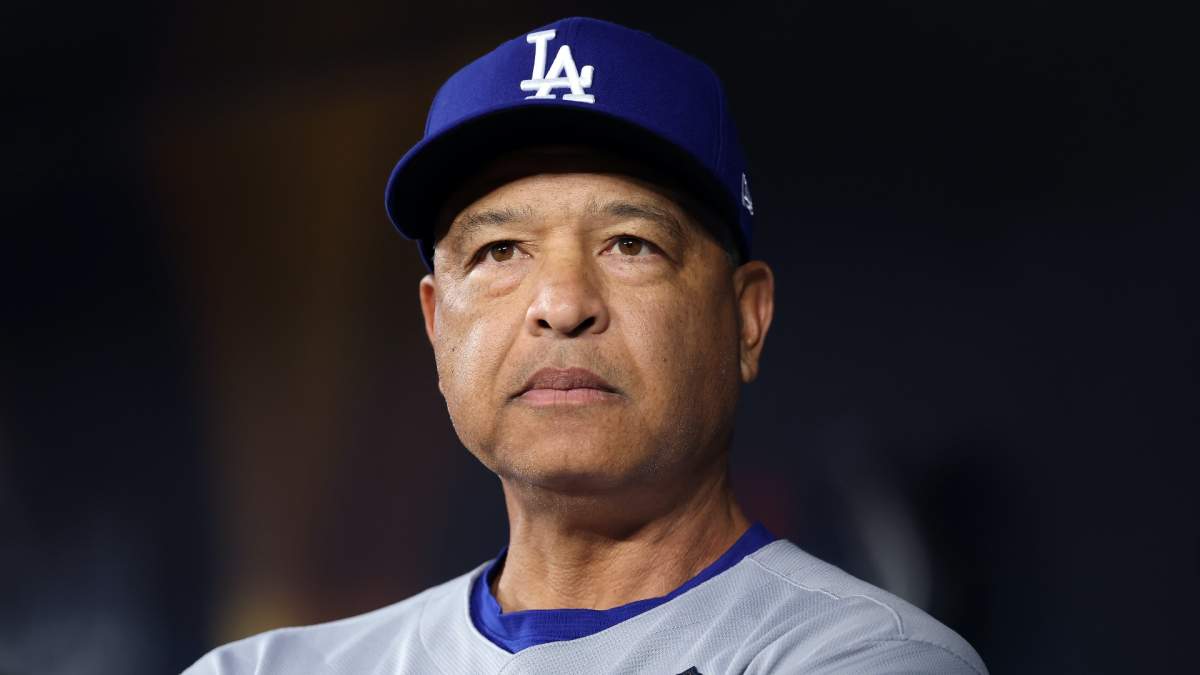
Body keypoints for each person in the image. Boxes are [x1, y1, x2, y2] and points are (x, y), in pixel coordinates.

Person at [186, 17, 987, 674]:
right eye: (500, 251)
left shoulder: (868, 656)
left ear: (746, 318)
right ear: (435, 323)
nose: (562, 304)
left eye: (631, 243)